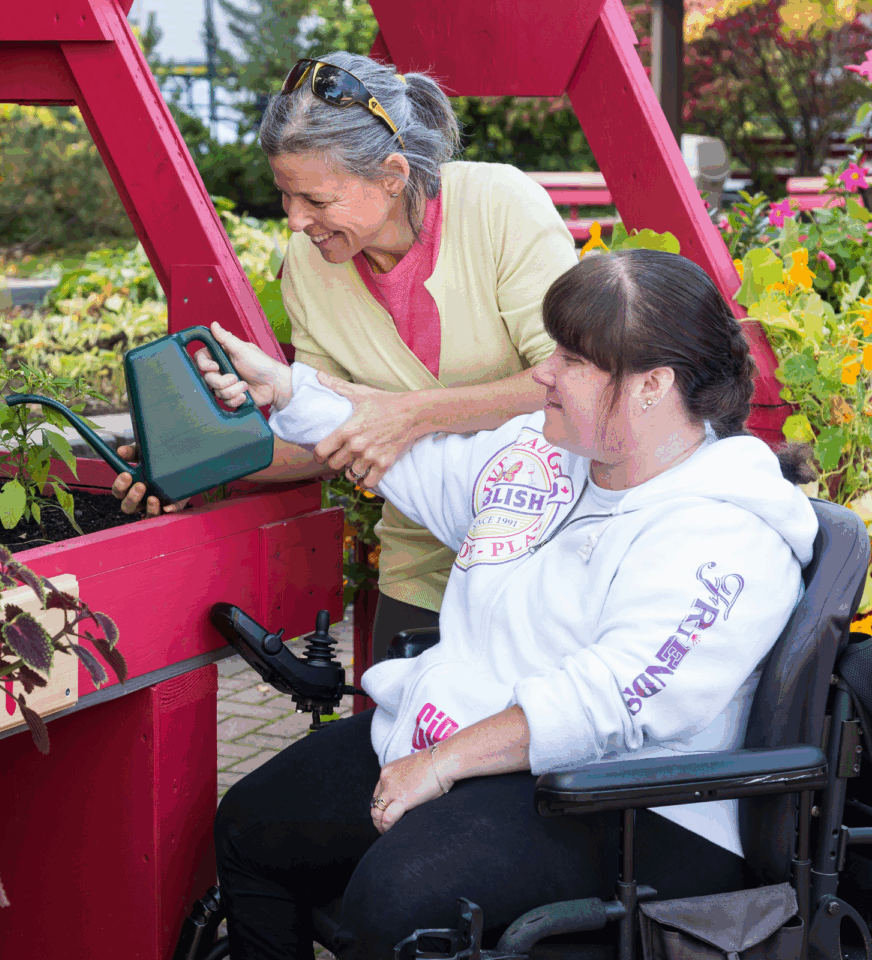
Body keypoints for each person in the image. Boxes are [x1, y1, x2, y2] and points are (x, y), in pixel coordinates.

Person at [202, 249, 819, 960]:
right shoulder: (553, 454)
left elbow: (608, 702)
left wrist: (444, 761)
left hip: (634, 801)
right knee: (250, 828)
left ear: (653, 385)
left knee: (399, 902)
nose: (543, 373)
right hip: (477, 737)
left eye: (575, 360)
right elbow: (421, 465)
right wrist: (290, 393)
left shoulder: (725, 535)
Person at [112, 51, 578, 662]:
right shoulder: (311, 264)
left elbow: (570, 378)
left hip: (548, 551)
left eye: (316, 200)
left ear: (392, 174)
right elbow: (323, 434)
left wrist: (410, 415)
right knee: (396, 744)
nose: (297, 220)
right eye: (285, 196)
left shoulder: (498, 206)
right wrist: (195, 462)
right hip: (424, 565)